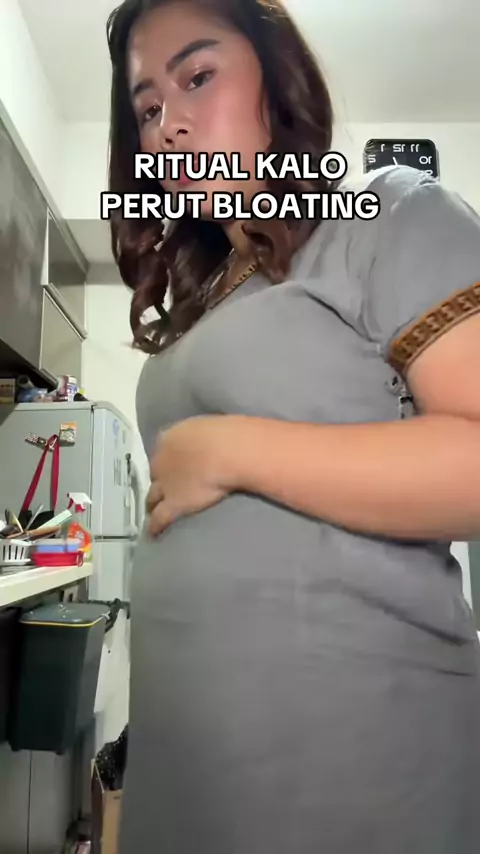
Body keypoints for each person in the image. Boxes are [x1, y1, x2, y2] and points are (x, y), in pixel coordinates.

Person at [106, 1, 480, 851]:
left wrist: (237, 450)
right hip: (193, 767)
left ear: (277, 80)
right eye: (148, 108)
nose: (170, 125)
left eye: (198, 77)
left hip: (354, 766)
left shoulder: (388, 214)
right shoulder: (206, 295)